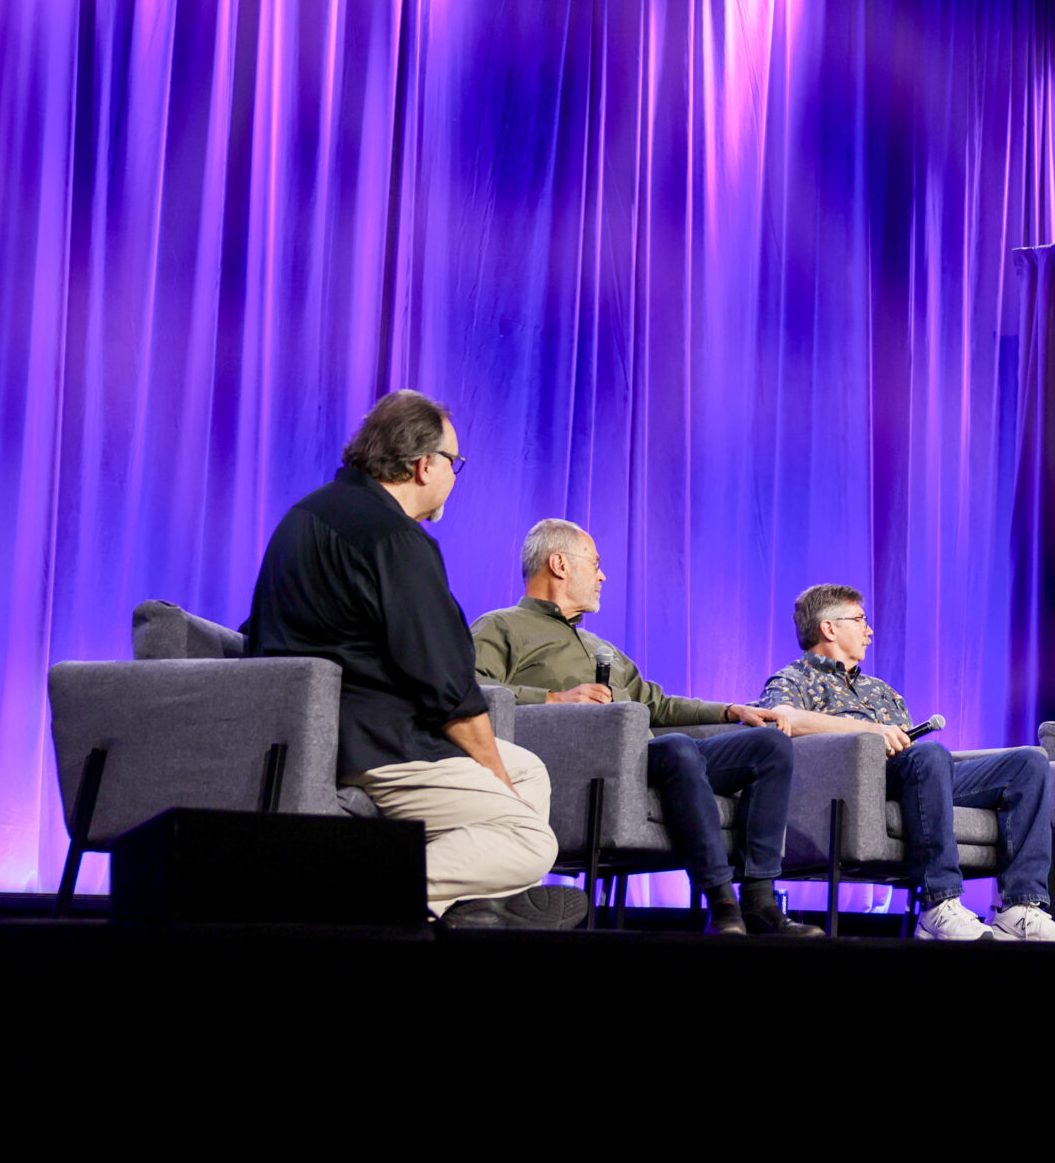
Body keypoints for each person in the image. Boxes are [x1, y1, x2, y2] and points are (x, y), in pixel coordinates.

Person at [243, 390, 584, 929]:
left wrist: (504, 772)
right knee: (530, 838)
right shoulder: (395, 538)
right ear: (426, 465)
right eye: (456, 463)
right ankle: (353, 896)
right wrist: (493, 775)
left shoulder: (305, 515)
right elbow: (447, 686)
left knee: (532, 770)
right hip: (378, 746)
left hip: (315, 734)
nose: (455, 475)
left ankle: (473, 909)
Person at [470, 520, 820, 938]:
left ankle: (760, 900)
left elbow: (658, 704)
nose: (602, 576)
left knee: (768, 744)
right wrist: (551, 699)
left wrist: (730, 711)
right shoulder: (501, 627)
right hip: (587, 766)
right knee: (676, 749)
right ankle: (722, 901)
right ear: (559, 564)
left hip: (653, 755)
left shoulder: (604, 648)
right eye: (595, 564)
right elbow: (471, 689)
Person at [758, 585, 1055, 942]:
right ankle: (939, 903)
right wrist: (871, 731)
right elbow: (781, 719)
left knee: (1028, 762)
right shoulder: (794, 679)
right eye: (860, 619)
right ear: (829, 628)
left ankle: (1022, 907)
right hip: (855, 786)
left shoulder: (880, 690)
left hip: (918, 775)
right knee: (928, 755)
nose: (870, 630)